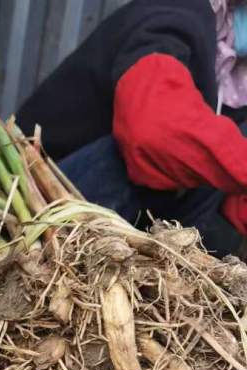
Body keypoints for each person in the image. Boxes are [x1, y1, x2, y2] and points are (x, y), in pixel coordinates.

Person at [16, 0, 247, 255]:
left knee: (221, 166)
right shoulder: (177, 13)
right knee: (168, 150)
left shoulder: (236, 78)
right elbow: (154, 131)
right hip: (35, 196)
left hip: (118, 215)